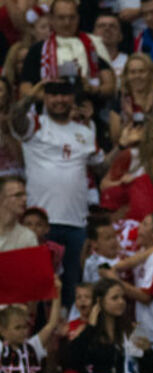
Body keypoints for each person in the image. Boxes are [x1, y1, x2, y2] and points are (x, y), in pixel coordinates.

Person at [12, 78, 106, 292]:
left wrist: (121, 146)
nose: (59, 100)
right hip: (40, 222)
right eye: (53, 94)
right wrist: (30, 95)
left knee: (73, 286)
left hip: (77, 222)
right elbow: (15, 117)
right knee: (38, 286)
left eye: (64, 95)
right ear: (45, 97)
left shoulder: (85, 132)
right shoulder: (35, 124)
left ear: (72, 97)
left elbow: (101, 167)